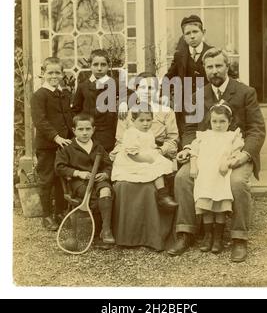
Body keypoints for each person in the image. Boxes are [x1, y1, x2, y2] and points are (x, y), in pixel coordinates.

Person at [168, 48, 266, 262]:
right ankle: (186, 232)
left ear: (227, 66)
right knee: (183, 177)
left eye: (218, 65)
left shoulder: (245, 92)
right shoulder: (197, 96)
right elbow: (190, 129)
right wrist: (187, 149)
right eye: (210, 67)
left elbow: (256, 129)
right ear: (204, 69)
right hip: (205, 154)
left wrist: (245, 155)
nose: (214, 71)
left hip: (234, 153)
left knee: (237, 182)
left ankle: (239, 237)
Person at [110, 72, 179, 251]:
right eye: (142, 87)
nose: (147, 91)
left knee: (152, 183)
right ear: (136, 89)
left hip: (158, 152)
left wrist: (159, 151)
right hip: (132, 156)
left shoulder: (166, 111)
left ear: (157, 90)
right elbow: (120, 141)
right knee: (123, 185)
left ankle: (155, 236)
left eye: (151, 88)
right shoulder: (128, 112)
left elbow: (173, 139)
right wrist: (117, 154)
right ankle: (126, 236)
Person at [190, 101, 244, 254]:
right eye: (215, 121)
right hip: (205, 175)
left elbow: (236, 154)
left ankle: (218, 238)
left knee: (219, 205)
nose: (218, 125)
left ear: (230, 122)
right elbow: (194, 151)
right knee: (207, 206)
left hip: (221, 175)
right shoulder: (204, 135)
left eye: (222, 121)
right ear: (210, 121)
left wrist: (227, 163)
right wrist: (193, 165)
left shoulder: (232, 137)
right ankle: (208, 236)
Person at [55, 113, 115, 245]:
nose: (84, 133)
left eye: (88, 129)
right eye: (81, 129)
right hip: (79, 183)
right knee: (94, 197)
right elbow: (59, 167)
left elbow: (108, 165)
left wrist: (105, 174)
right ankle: (97, 231)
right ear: (74, 130)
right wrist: (78, 173)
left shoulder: (98, 147)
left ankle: (106, 230)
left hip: (98, 180)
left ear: (93, 129)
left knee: (106, 191)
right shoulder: (67, 148)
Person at [31, 57, 73, 231]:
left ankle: (60, 211)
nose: (54, 76)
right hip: (47, 145)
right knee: (47, 179)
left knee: (60, 178)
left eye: (57, 72)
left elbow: (67, 118)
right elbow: (40, 121)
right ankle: (46, 216)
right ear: (43, 74)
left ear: (62, 74)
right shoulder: (39, 95)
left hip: (63, 145)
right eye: (50, 72)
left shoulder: (64, 93)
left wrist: (72, 137)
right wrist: (56, 137)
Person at [111, 105, 178, 209]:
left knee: (164, 165)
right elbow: (132, 154)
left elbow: (151, 146)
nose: (146, 124)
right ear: (133, 120)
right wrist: (148, 160)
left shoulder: (149, 132)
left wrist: (154, 154)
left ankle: (163, 194)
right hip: (131, 160)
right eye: (141, 120)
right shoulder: (131, 133)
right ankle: (162, 195)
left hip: (145, 155)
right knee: (154, 167)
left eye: (149, 120)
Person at [162, 15, 212, 136]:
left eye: (195, 31)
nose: (192, 36)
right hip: (185, 104)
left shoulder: (212, 52)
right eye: (188, 33)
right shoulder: (180, 56)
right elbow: (168, 78)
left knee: (206, 134)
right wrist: (165, 96)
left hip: (207, 103)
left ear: (203, 32)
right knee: (186, 134)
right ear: (184, 37)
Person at [72, 49, 128, 154]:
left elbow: (130, 94)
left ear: (108, 65)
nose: (99, 68)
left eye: (103, 64)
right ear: (90, 65)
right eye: (95, 64)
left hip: (108, 131)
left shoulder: (115, 83)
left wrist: (123, 102)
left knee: (107, 160)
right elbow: (76, 109)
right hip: (88, 133)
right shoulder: (83, 86)